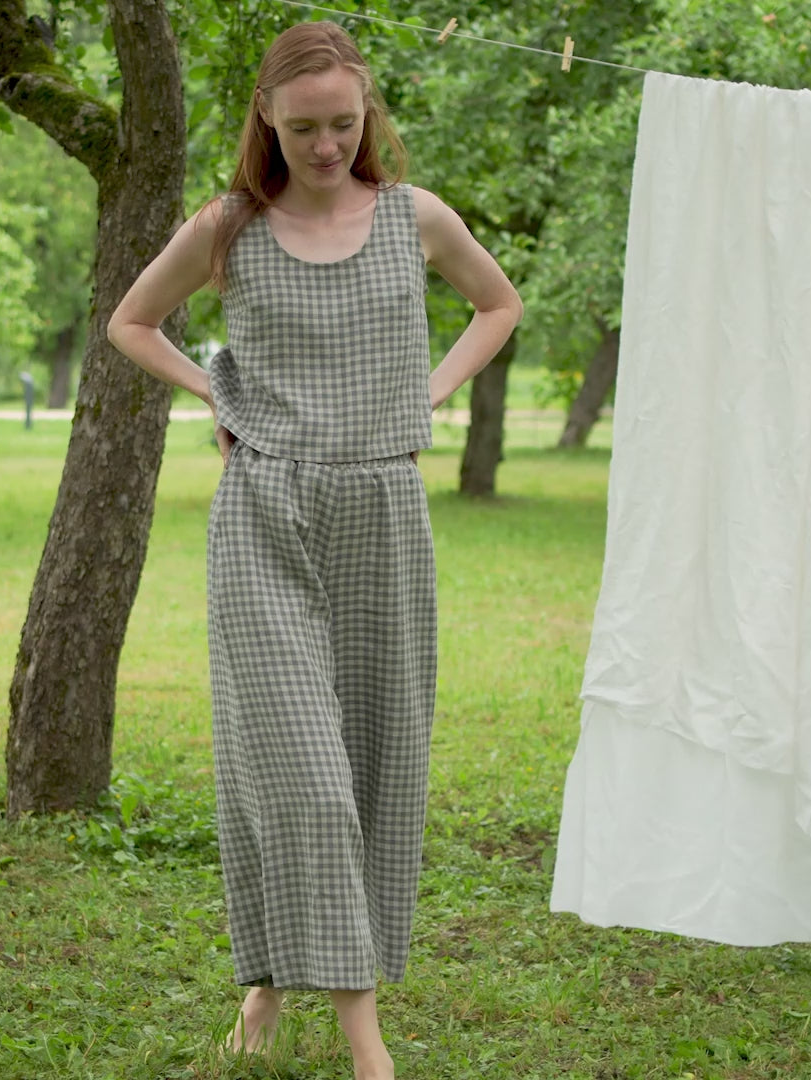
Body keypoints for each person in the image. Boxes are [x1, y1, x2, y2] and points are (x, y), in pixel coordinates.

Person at [107, 20, 522, 1080]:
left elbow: (497, 304)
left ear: (367, 113)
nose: (327, 144)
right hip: (265, 519)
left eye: (344, 123)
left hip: (384, 514)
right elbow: (133, 323)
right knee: (299, 775)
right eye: (304, 128)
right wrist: (221, 393)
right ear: (266, 121)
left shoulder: (415, 219)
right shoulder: (228, 228)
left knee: (377, 766)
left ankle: (264, 985)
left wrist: (425, 395)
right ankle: (364, 1041)